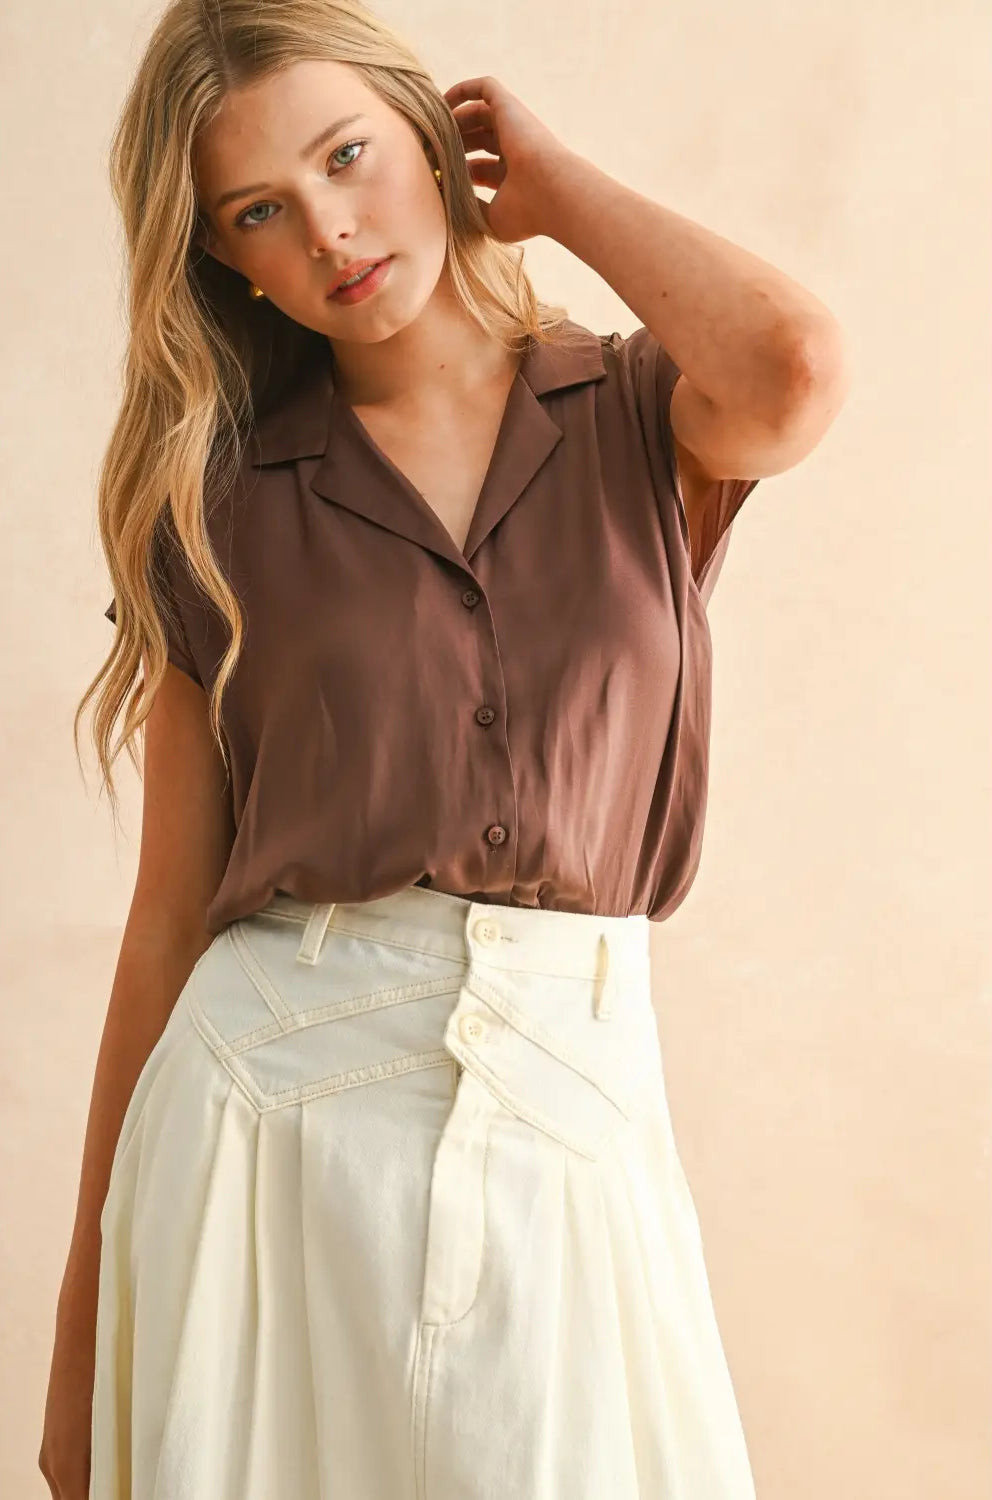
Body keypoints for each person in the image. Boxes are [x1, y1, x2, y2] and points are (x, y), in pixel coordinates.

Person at [41, 2, 849, 1497]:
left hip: (576, 1118)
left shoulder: (636, 414)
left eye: (349, 156)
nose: (330, 231)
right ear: (225, 258)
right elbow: (164, 926)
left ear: (431, 135)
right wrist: (80, 1357)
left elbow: (793, 365)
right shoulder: (215, 508)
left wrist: (557, 191)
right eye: (261, 211)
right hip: (267, 1138)